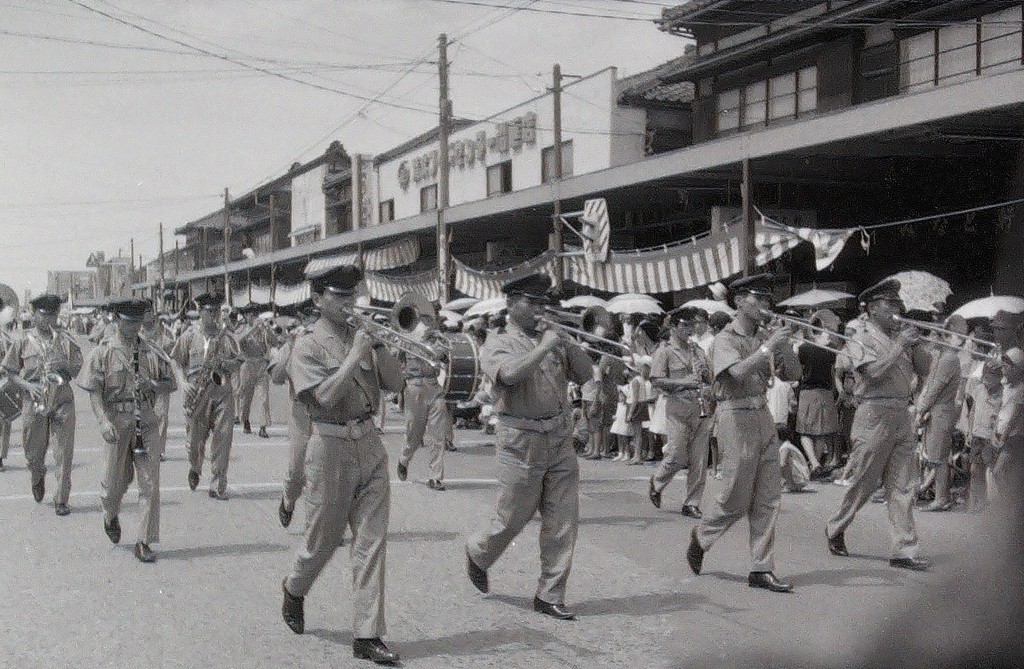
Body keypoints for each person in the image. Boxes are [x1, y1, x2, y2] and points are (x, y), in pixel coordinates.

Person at [279, 264, 403, 665]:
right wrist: (354, 356)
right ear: (318, 300)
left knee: (371, 541)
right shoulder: (307, 345)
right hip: (329, 445)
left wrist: (380, 346)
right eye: (339, 296)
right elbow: (325, 397)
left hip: (368, 442)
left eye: (352, 295)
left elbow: (396, 384)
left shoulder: (362, 338)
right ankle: (295, 587)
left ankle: (367, 634)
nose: (350, 303)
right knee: (322, 541)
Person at [464, 273, 592, 620]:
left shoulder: (551, 338)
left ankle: (550, 594)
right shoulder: (497, 340)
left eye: (542, 303)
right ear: (511, 303)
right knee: (512, 518)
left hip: (558, 436)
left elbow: (584, 374)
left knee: (563, 519)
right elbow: (507, 375)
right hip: (520, 440)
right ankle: (479, 553)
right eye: (532, 303)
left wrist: (569, 343)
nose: (539, 310)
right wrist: (546, 346)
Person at [685, 274, 801, 593]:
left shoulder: (763, 336)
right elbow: (735, 373)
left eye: (767, 299)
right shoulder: (726, 338)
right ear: (739, 302)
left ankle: (761, 568)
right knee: (736, 494)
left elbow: (794, 374)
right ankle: (702, 536)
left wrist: (785, 347)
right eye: (758, 299)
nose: (765, 305)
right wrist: (768, 347)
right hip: (734, 415)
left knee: (768, 495)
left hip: (762, 413)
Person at [825, 279, 933, 571]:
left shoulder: (900, 335)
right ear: (872, 308)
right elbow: (872, 373)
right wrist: (899, 345)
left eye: (898, 305)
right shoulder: (860, 335)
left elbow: (926, 370)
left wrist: (918, 343)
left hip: (901, 411)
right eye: (890, 304)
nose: (896, 311)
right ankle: (836, 526)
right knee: (864, 481)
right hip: (873, 411)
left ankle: (904, 550)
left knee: (904, 484)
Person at [80, 299, 177, 563]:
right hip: (117, 421)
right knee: (113, 485)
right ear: (117, 320)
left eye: (137, 321)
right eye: (128, 321)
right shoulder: (104, 352)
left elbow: (171, 382)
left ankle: (144, 540)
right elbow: (95, 392)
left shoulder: (152, 351)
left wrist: (154, 384)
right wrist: (102, 421)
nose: (134, 327)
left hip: (145, 421)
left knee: (150, 483)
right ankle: (110, 514)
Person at [1, 294, 82, 515]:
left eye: (52, 315)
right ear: (35, 315)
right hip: (34, 398)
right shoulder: (23, 341)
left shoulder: (66, 340)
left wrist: (63, 363)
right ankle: (37, 475)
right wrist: (27, 385)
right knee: (33, 452)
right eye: (44, 315)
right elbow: (9, 372)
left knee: (64, 451)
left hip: (61, 396)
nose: (49, 320)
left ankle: (61, 499)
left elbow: (76, 368)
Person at [170, 293, 242, 500]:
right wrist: (183, 383)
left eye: (216, 312)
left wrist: (223, 363)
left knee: (223, 438)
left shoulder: (227, 338)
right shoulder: (189, 336)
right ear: (200, 312)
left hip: (221, 394)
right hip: (197, 393)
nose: (214, 316)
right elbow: (175, 361)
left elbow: (238, 361)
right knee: (194, 442)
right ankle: (195, 465)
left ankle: (218, 482)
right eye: (209, 311)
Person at [647, 307, 715, 519]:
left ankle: (692, 503)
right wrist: (682, 382)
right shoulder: (665, 351)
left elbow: (711, 378)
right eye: (684, 325)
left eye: (692, 325)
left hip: (701, 408)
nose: (689, 330)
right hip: (678, 407)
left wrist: (706, 374)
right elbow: (656, 380)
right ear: (674, 327)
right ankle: (657, 481)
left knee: (699, 460)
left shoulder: (698, 350)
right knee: (677, 454)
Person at [915, 315, 966, 512]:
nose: (933, 338)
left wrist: (921, 410)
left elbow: (935, 388)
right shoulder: (942, 357)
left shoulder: (949, 358)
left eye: (939, 334)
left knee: (939, 458)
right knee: (935, 457)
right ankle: (939, 496)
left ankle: (941, 498)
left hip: (941, 412)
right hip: (937, 411)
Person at [397, 305, 450, 491]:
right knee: (414, 432)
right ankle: (404, 458)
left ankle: (435, 477)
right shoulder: (406, 338)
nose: (429, 323)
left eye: (432, 319)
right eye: (425, 319)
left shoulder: (439, 339)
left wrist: (436, 344)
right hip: (414, 387)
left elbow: (443, 358)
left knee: (438, 435)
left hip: (434, 387)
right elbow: (396, 361)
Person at [269, 319, 314, 529]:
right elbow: (276, 377)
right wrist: (290, 345)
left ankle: (317, 523)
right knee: (297, 470)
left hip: (330, 411)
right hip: (301, 412)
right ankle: (288, 499)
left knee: (323, 469)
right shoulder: (294, 343)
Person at [236, 311, 276, 438]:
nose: (252, 317)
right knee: (246, 398)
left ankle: (263, 427)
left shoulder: (263, 331)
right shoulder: (242, 329)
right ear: (246, 316)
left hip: (261, 365)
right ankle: (245, 420)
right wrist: (253, 329)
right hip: (247, 365)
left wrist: (268, 329)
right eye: (250, 315)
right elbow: (239, 342)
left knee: (263, 398)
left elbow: (274, 342)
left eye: (254, 315)